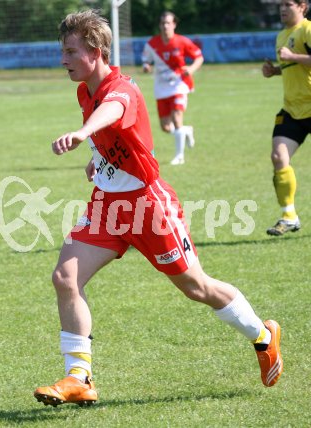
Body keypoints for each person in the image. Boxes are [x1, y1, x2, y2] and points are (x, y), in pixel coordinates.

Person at [34, 9, 283, 408]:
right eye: (62, 51)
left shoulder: (122, 89)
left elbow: (114, 111)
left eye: (69, 51)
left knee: (195, 286)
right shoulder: (84, 91)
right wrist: (98, 158)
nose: (62, 59)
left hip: (149, 206)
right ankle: (79, 377)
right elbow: (115, 134)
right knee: (65, 277)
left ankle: (262, 334)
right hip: (107, 205)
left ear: (96, 51)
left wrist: (83, 133)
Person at [262, 0, 311, 236]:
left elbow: (298, 60)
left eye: (288, 4)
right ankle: (289, 215)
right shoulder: (281, 35)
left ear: (303, 6)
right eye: (280, 4)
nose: (282, 9)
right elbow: (293, 66)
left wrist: (293, 55)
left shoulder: (308, 30)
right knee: (278, 156)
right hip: (292, 109)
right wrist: (275, 71)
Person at [141, 11, 204, 165]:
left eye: (168, 23)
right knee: (166, 127)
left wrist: (191, 69)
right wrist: (146, 66)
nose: (165, 26)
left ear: (174, 24)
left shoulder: (182, 41)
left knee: (177, 119)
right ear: (159, 25)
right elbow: (146, 60)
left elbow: (199, 57)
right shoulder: (152, 44)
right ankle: (186, 130)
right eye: (163, 23)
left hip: (179, 85)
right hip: (161, 88)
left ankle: (179, 156)